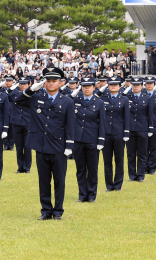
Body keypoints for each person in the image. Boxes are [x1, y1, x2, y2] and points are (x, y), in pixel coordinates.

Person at [15, 67, 76, 220]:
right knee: (43, 180)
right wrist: (31, 89)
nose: (50, 84)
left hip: (59, 147)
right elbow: (18, 100)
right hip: (41, 145)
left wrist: (69, 146)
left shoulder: (67, 101)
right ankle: (45, 211)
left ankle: (57, 211)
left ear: (60, 83)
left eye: (54, 81)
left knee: (59, 180)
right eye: (47, 81)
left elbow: (70, 126)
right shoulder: (35, 98)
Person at [73, 77, 106, 203]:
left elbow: (102, 123)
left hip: (92, 139)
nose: (86, 88)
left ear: (94, 87)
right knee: (80, 168)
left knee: (92, 168)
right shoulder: (76, 100)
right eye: (84, 86)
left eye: (89, 86)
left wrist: (101, 140)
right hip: (78, 139)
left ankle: (91, 195)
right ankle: (82, 195)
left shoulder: (99, 103)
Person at [101, 76, 130, 192]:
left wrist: (126, 133)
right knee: (107, 160)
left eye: (115, 84)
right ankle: (109, 185)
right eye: (111, 84)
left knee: (119, 160)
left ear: (119, 86)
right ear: (108, 86)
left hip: (119, 134)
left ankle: (118, 184)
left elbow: (127, 117)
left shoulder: (124, 100)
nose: (113, 86)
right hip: (106, 133)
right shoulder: (102, 99)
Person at [9, 78, 32, 173]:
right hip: (17, 122)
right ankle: (20, 167)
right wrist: (13, 87)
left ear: (29, 84)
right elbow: (8, 96)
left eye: (24, 84)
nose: (22, 85)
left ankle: (27, 167)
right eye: (21, 84)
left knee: (27, 147)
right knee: (18, 146)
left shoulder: (32, 94)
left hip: (27, 122)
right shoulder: (15, 93)